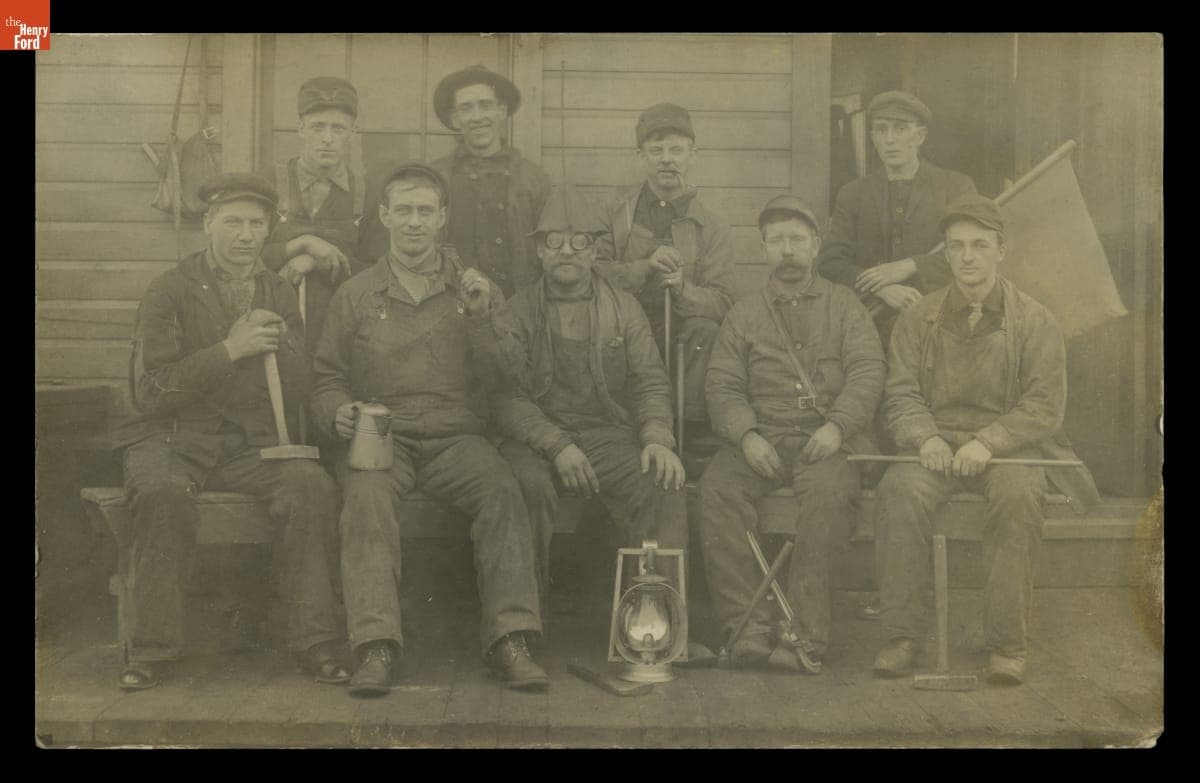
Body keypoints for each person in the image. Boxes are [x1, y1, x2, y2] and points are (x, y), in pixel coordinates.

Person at [311, 163, 547, 696]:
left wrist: (484, 317)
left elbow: (512, 376)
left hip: (455, 436)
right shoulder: (356, 294)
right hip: (380, 436)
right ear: (385, 216)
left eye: (425, 212)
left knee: (503, 492)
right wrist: (338, 412)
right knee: (366, 501)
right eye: (404, 211)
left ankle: (510, 639)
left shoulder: (476, 289)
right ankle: (374, 646)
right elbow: (326, 377)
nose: (414, 223)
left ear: (442, 218)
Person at [111, 173, 348, 691]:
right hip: (172, 439)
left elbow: (302, 382)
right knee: (161, 494)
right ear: (208, 224)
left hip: (249, 444)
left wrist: (283, 348)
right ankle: (151, 649)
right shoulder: (168, 290)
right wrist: (229, 350)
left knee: (311, 486)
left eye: (257, 224)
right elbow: (151, 390)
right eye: (233, 222)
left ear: (268, 231)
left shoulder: (276, 288)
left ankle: (316, 641)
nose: (245, 235)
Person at [871, 194, 1100, 685]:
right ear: (947, 255)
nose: (968, 257)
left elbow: (1043, 406)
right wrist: (924, 437)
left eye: (979, 245)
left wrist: (990, 442)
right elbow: (901, 395)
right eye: (957, 247)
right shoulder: (918, 318)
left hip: (1009, 449)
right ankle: (901, 637)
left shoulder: (1035, 320)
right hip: (934, 447)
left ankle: (1006, 645)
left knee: (1018, 497)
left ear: (1002, 250)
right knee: (899, 491)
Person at [699, 195, 885, 670]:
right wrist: (745, 436)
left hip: (828, 441)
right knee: (717, 491)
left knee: (826, 497)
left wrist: (838, 427)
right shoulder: (743, 314)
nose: (787, 250)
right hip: (763, 438)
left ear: (816, 246)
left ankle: (804, 636)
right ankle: (748, 627)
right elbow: (722, 383)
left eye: (797, 240)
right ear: (762, 248)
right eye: (777, 240)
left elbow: (867, 372)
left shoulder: (845, 307)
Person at [491, 184, 688, 616]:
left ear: (595, 249)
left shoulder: (624, 308)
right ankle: (524, 624)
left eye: (579, 241)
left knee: (662, 482)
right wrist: (558, 445)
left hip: (604, 436)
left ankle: (654, 623)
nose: (567, 251)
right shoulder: (516, 309)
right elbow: (506, 397)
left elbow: (650, 382)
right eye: (554, 241)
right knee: (524, 487)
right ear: (540, 250)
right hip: (534, 441)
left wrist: (657, 438)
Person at [594, 103, 735, 427]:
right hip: (620, 327)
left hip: (680, 334)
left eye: (676, 149)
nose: (667, 159)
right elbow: (593, 272)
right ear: (640, 156)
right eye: (655, 150)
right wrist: (643, 268)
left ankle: (688, 432)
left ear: (693, 154)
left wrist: (684, 289)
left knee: (706, 332)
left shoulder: (712, 225)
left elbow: (723, 300)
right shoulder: (614, 212)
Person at [358, 65, 551, 298]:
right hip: (446, 306)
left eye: (486, 105)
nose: (478, 117)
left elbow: (549, 249)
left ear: (502, 111)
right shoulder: (435, 177)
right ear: (455, 119)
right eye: (466, 108)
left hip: (518, 307)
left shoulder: (534, 179)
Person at [817, 90, 978, 349]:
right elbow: (830, 263)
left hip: (944, 326)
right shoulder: (853, 194)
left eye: (900, 129)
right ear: (873, 138)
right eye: (881, 130)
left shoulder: (956, 188)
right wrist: (880, 288)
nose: (890, 140)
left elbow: (974, 253)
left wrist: (911, 265)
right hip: (870, 332)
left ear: (920, 136)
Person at [262, 77, 367, 352]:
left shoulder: (365, 193)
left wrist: (312, 260)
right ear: (300, 129)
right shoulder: (271, 182)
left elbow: (377, 269)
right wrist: (299, 246)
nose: (328, 139)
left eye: (338, 128)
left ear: (353, 132)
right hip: (274, 328)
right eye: (318, 127)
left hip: (343, 333)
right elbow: (245, 255)